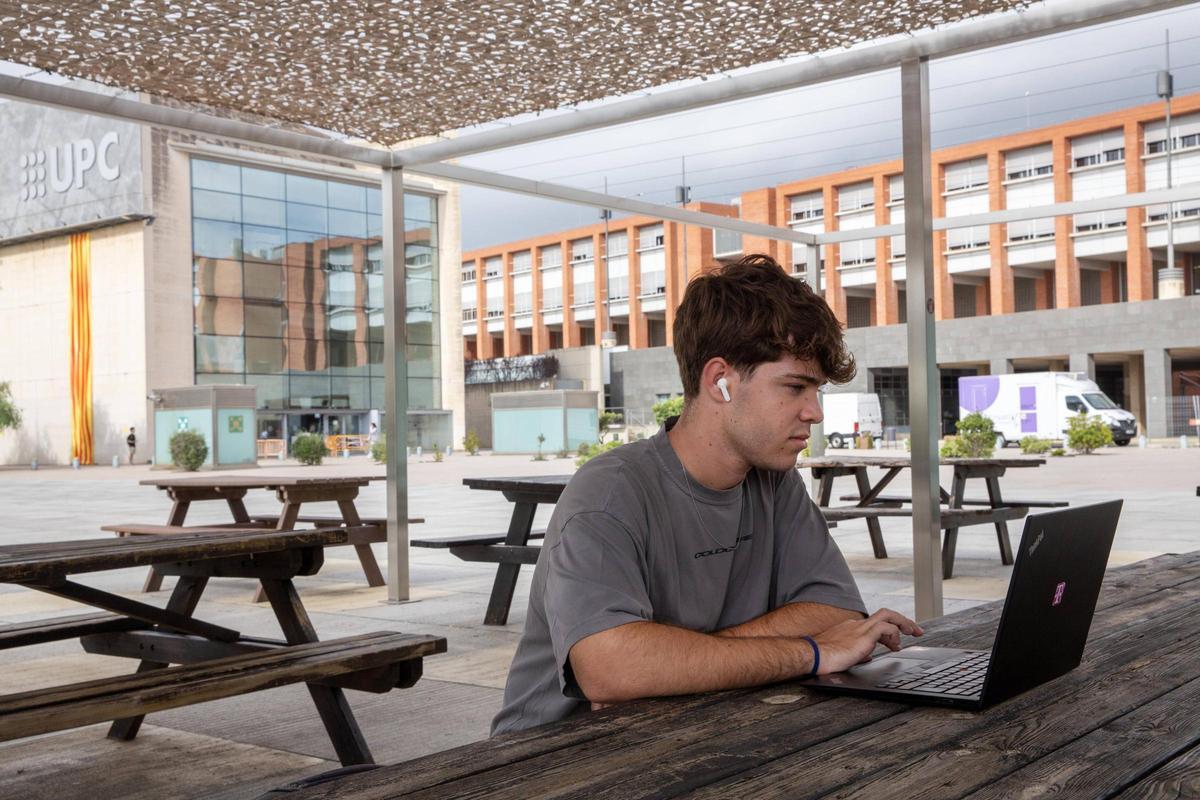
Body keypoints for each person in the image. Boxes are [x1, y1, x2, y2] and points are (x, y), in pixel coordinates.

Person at [491, 254, 923, 735]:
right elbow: (610, 670)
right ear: (720, 380)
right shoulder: (611, 490)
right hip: (552, 757)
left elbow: (838, 611)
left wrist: (674, 663)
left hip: (692, 730)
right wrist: (812, 652)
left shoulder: (775, 480)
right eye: (796, 387)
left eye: (816, 390)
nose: (814, 413)